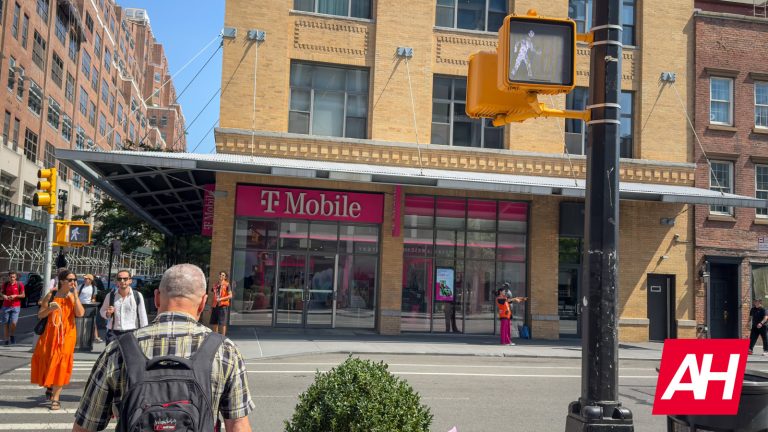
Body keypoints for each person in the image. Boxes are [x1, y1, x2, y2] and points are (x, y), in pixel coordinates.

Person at [72, 263, 254, 432]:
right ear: (203, 302)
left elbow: (85, 425)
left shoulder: (118, 349)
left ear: (157, 298)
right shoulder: (224, 350)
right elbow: (238, 425)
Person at [31, 269, 85, 410]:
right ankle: (50, 385)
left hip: (67, 335)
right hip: (50, 334)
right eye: (70, 280)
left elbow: (80, 313)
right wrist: (50, 309)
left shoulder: (72, 296)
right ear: (62, 281)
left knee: (61, 364)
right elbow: (40, 315)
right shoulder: (52, 295)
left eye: (75, 280)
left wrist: (75, 296)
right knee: (49, 360)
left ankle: (56, 398)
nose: (73, 282)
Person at [99, 270, 148, 343]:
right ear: (116, 281)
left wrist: (144, 335)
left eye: (125, 279)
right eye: (119, 279)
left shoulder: (137, 295)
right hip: (114, 333)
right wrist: (107, 313)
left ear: (130, 281)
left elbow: (143, 316)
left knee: (130, 351)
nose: (122, 281)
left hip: (132, 332)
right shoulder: (110, 296)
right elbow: (102, 311)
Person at [1, 271, 25, 345]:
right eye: (11, 277)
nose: (12, 278)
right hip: (6, 306)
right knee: (6, 323)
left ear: (16, 277)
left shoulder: (20, 284)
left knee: (14, 323)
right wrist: (4, 296)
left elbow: (23, 295)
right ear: (9, 277)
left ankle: (12, 335)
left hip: (16, 306)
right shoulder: (5, 284)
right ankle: (6, 339)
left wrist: (15, 296)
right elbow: (1, 292)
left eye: (13, 277)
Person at [78, 274, 102, 343]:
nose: (85, 280)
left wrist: (93, 301)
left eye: (86, 279)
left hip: (89, 306)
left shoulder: (94, 288)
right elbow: (76, 295)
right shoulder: (80, 286)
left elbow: (94, 298)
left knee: (93, 321)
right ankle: (79, 336)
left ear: (90, 280)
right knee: (79, 321)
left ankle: (96, 337)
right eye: (85, 278)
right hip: (80, 305)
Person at [210, 271, 232, 336]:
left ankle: (223, 338)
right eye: (220, 274)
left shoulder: (227, 284)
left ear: (225, 277)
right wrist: (211, 307)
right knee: (214, 322)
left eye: (223, 275)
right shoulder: (215, 285)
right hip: (215, 306)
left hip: (223, 306)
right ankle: (215, 337)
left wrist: (221, 299)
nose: (221, 276)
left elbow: (230, 296)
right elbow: (213, 297)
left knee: (222, 323)